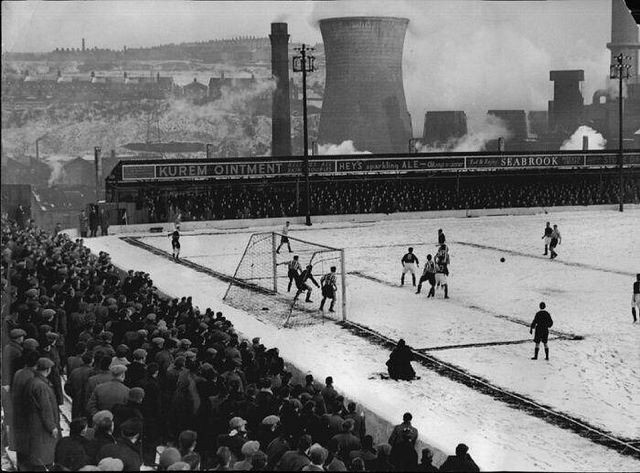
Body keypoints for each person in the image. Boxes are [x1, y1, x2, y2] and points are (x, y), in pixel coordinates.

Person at [26, 357, 61, 471]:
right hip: (42, 426)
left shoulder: (33, 381)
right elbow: (45, 408)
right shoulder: (41, 386)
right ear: (48, 370)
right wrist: (52, 427)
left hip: (35, 422)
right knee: (44, 454)